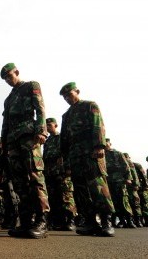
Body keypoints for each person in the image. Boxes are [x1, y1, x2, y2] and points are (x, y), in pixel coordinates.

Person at [0, 63, 50, 239]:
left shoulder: (31, 86)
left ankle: (42, 220)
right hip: (13, 141)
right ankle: (27, 220)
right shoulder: (8, 99)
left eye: (9, 76)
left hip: (29, 136)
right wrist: (4, 144)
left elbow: (40, 108)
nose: (8, 79)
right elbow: (5, 123)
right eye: (5, 78)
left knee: (35, 176)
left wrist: (41, 130)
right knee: (19, 181)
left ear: (17, 72)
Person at [59, 82, 115, 237]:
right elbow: (64, 138)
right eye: (64, 97)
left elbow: (98, 126)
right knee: (80, 190)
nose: (67, 98)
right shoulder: (66, 115)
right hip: (75, 156)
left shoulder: (90, 106)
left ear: (77, 91)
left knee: (98, 186)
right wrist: (64, 158)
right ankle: (90, 221)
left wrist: (99, 146)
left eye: (69, 94)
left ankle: (106, 221)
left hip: (91, 153)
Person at [43, 117, 77, 231]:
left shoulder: (62, 137)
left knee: (66, 196)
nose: (47, 127)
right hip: (50, 172)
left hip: (62, 171)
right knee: (53, 197)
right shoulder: (47, 141)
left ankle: (70, 220)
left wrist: (68, 168)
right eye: (46, 125)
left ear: (55, 125)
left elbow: (68, 153)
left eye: (49, 125)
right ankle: (59, 221)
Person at [104, 138, 135, 228]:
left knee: (123, 200)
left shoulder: (117, 153)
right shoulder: (102, 154)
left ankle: (129, 220)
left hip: (119, 180)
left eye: (107, 142)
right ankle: (121, 220)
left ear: (110, 143)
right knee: (113, 201)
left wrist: (128, 178)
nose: (105, 143)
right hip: (108, 181)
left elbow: (126, 166)